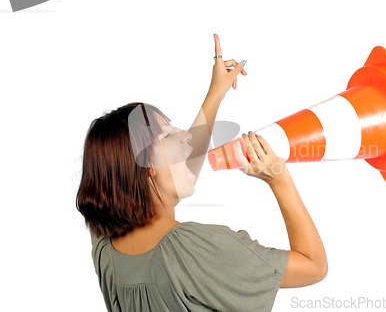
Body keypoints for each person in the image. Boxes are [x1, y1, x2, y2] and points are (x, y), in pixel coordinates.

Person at [76, 34, 327, 311]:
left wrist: (215, 94)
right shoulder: (194, 251)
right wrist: (279, 179)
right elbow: (313, 265)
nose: (184, 135)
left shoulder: (104, 243)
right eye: (169, 136)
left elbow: (170, 181)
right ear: (147, 168)